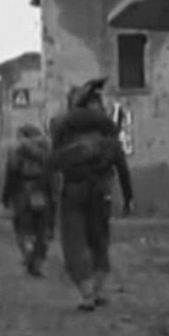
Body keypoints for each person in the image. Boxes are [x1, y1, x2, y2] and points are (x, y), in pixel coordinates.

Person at [47, 77, 135, 311]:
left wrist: (51, 192)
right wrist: (128, 198)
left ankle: (86, 292)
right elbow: (122, 168)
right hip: (102, 192)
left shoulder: (64, 129)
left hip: (73, 191)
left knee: (74, 240)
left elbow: (52, 163)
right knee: (99, 240)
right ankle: (99, 289)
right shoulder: (108, 133)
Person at [1, 124, 54, 277]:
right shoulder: (46, 150)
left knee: (22, 226)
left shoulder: (16, 151)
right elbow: (52, 175)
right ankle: (37, 263)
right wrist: (52, 196)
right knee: (41, 227)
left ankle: (28, 250)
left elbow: (10, 175)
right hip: (41, 191)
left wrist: (6, 197)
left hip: (21, 192)